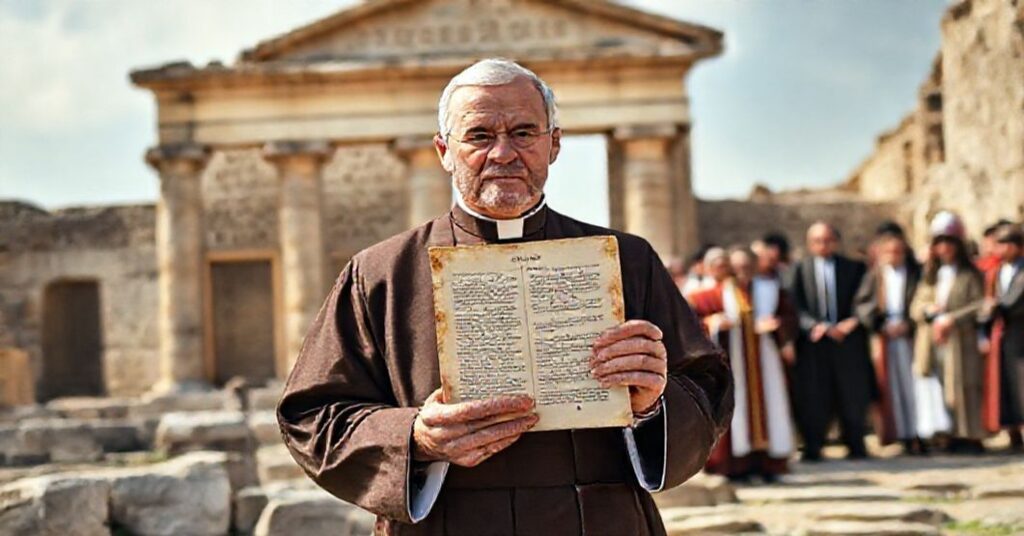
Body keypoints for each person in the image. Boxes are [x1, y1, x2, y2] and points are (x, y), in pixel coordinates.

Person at [276, 59, 733, 536]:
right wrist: (414, 436)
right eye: (478, 136)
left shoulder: (628, 260)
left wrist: (652, 403)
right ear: (443, 151)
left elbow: (706, 385)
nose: (503, 153)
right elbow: (312, 415)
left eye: (523, 132)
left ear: (553, 144)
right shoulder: (379, 274)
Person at [689, 248, 796, 481]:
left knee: (767, 411)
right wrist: (713, 324)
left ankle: (768, 463)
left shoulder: (763, 291)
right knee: (734, 413)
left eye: (746, 267)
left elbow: (788, 317)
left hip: (762, 363)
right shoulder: (708, 294)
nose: (740, 272)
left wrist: (776, 325)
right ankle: (734, 466)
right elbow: (690, 325)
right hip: (730, 363)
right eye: (735, 267)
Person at [787, 222, 874, 461]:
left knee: (852, 393)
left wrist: (852, 321)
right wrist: (813, 325)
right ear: (809, 244)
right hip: (814, 344)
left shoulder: (855, 268)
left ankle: (856, 444)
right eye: (817, 240)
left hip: (847, 342)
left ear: (836, 241)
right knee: (815, 395)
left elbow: (865, 300)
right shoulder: (799, 270)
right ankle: (814, 446)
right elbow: (794, 306)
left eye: (827, 240)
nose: (822, 245)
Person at [910, 211, 987, 454]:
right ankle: (943, 434)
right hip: (932, 342)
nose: (944, 248)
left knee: (964, 387)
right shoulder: (930, 277)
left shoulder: (969, 275)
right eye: (939, 242)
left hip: (960, 341)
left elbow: (979, 304)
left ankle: (968, 434)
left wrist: (952, 319)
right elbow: (915, 307)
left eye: (948, 242)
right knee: (936, 387)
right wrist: (930, 312)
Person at [855, 231, 927, 454]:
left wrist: (909, 323)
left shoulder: (915, 274)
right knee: (891, 387)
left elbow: (922, 300)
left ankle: (920, 434)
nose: (894, 256)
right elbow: (863, 305)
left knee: (915, 386)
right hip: (885, 338)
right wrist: (881, 325)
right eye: (889, 252)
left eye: (898, 252)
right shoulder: (875, 276)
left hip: (910, 337)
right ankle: (899, 433)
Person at [982, 223, 1024, 451]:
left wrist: (997, 306)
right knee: (1005, 386)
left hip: (1020, 333)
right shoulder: (997, 272)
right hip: (1004, 336)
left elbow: (1014, 300)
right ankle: (1013, 435)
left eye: (1005, 243)